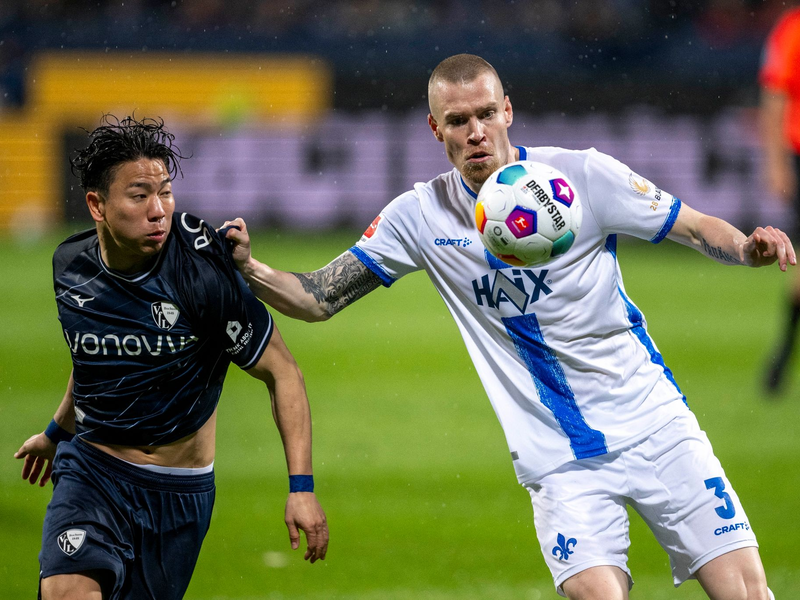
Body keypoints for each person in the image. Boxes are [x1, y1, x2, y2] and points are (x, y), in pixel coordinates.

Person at [223, 55, 791, 599]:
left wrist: (745, 247)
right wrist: (249, 267)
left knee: (746, 592)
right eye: (457, 120)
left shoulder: (581, 175)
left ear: (508, 112)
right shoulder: (420, 216)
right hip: (556, 458)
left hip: (654, 425)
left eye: (486, 114)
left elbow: (692, 226)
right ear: (434, 128)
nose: (475, 132)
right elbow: (320, 297)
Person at [14, 115, 328, 600]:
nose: (158, 210)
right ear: (97, 204)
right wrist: (57, 433)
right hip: (92, 470)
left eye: (165, 192)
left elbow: (282, 372)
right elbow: (94, 362)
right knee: (67, 592)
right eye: (140, 196)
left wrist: (301, 487)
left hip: (177, 492)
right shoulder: (70, 267)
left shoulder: (201, 271)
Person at [760, 2, 800, 393]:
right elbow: (775, 95)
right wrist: (775, 161)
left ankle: (781, 360)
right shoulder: (792, 30)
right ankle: (782, 359)